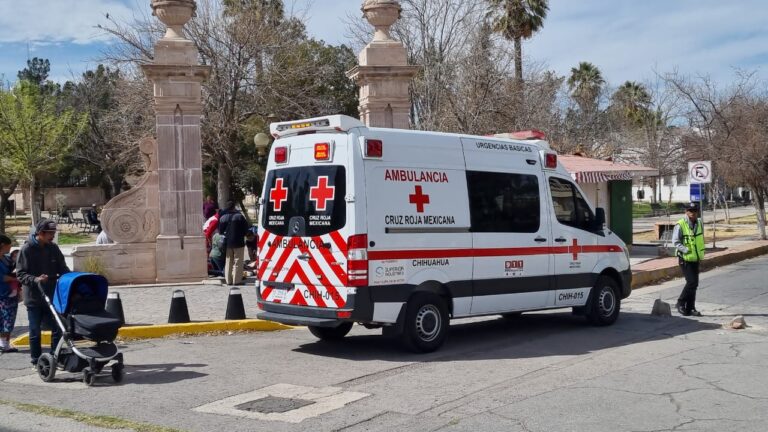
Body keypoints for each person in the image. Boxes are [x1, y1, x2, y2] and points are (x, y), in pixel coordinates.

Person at [16, 219, 71, 366]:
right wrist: (36, 279)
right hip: (34, 298)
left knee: (58, 328)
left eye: (54, 233)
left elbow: (63, 269)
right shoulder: (26, 250)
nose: (52, 236)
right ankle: (36, 360)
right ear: (40, 233)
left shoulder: (53, 248)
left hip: (52, 296)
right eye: (50, 233)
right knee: (35, 331)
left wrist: (72, 278)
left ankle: (55, 357)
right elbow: (20, 274)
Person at [672, 202, 705, 317]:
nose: (692, 213)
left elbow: (700, 238)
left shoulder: (700, 223)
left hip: (695, 257)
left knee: (694, 284)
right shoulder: (680, 224)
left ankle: (691, 307)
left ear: (697, 212)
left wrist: (700, 252)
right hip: (685, 258)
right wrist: (686, 250)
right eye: (690, 211)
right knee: (691, 282)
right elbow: (675, 241)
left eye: (695, 211)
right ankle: (680, 302)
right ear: (686, 212)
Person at [217, 201, 248, 285]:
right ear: (234, 207)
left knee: (228, 261)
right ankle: (236, 281)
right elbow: (246, 230)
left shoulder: (222, 218)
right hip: (238, 242)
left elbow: (220, 231)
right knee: (238, 261)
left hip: (227, 243)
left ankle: (228, 281)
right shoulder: (240, 217)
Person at [0, 234, 20, 353]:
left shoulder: (5, 258)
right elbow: (2, 277)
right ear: (2, 245)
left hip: (9, 293)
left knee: (7, 319)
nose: (10, 248)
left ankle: (4, 343)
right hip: (4, 294)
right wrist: (15, 278)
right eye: (9, 246)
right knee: (6, 319)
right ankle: (4, 344)